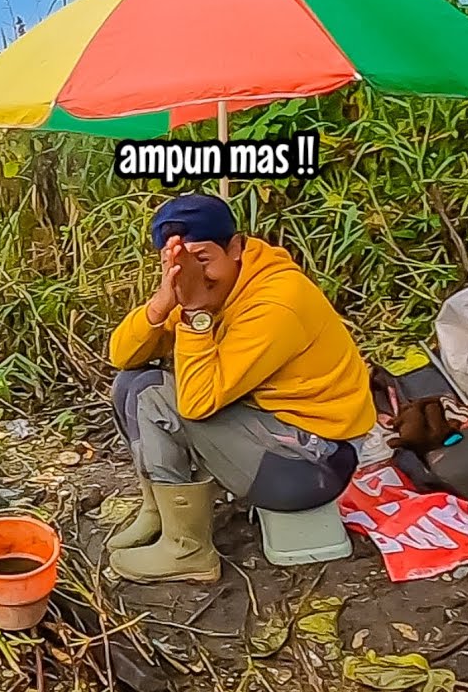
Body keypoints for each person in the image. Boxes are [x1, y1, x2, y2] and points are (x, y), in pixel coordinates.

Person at [105, 193, 376, 584]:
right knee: (131, 382)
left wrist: (196, 312)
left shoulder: (276, 301)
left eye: (203, 259)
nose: (196, 274)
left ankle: (188, 550)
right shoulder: (211, 286)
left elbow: (196, 403)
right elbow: (122, 356)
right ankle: (160, 513)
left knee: (155, 398)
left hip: (314, 463)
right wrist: (162, 303)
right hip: (276, 431)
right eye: (176, 264)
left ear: (235, 247)